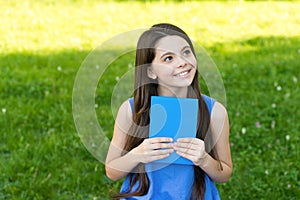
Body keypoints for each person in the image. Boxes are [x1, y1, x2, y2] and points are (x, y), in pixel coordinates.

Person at [105, 23, 232, 200]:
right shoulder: (131, 110)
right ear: (150, 71)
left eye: (186, 52)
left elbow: (224, 174)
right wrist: (138, 154)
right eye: (168, 58)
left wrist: (204, 159)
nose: (182, 63)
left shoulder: (215, 112)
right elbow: (112, 170)